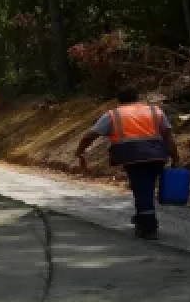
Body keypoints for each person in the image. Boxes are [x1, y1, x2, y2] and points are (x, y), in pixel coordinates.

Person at [75, 87, 181, 240]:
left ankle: (148, 226)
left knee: (143, 190)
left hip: (133, 157)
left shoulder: (113, 115)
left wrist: (80, 151)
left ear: (119, 100)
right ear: (138, 98)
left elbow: (90, 135)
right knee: (145, 188)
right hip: (157, 156)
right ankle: (142, 217)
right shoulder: (155, 111)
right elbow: (168, 138)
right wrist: (176, 159)